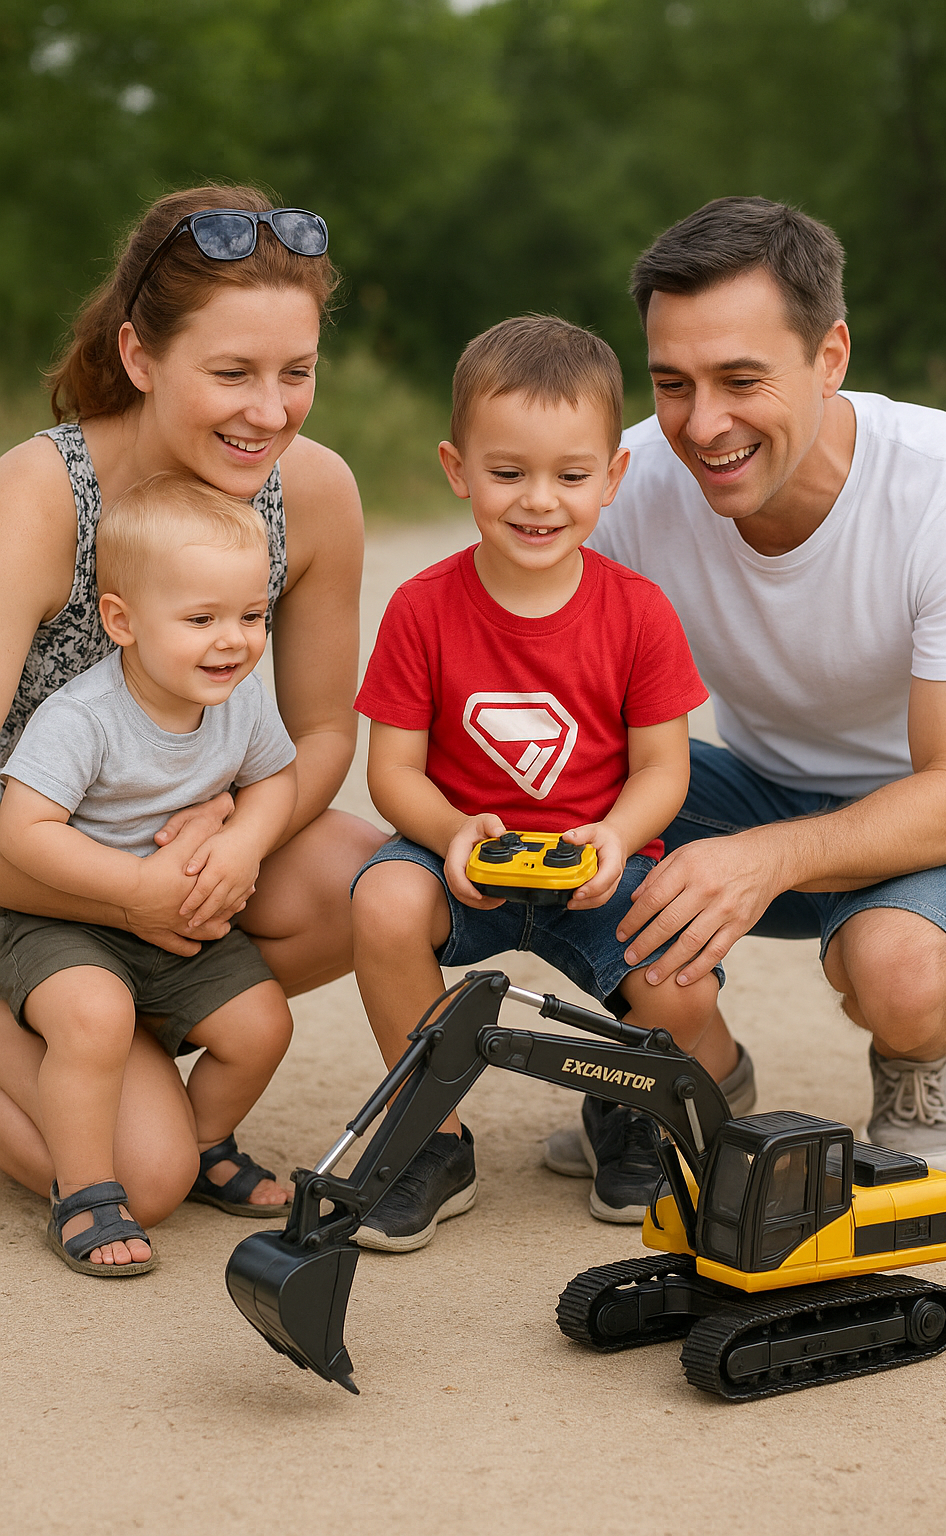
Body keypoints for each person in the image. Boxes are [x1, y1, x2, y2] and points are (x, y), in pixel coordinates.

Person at [546, 196, 946, 1191]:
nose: (702, 423)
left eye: (740, 380)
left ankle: (922, 1047)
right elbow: (531, 686)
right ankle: (688, 1061)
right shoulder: (629, 485)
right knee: (554, 785)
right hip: (754, 783)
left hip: (939, 814)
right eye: (672, 382)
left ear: (830, 356)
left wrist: (766, 859)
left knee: (898, 972)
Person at [0, 185, 384, 1231]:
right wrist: (128, 893)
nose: (269, 410)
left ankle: (118, 1044)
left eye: (294, 372)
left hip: (165, 875)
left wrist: (245, 829)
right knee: (150, 1181)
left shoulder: (312, 494)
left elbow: (321, 734)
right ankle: (67, 1045)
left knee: (363, 876)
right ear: (139, 357)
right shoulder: (40, 498)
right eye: (231, 373)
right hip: (21, 884)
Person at [349, 314, 756, 1253]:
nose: (539, 501)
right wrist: (451, 832)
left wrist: (616, 837)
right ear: (457, 468)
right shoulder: (422, 609)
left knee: (682, 976)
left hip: (596, 862)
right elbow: (393, 772)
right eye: (508, 473)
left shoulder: (639, 613)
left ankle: (622, 1111)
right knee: (380, 902)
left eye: (571, 477)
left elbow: (663, 769)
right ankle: (430, 1142)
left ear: (612, 476)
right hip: (464, 855)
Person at [0, 475, 298, 1274]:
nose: (232, 640)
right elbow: (22, 830)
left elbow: (276, 779)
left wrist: (242, 841)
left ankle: (202, 1145)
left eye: (251, 615)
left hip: (177, 918)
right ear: (121, 621)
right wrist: (132, 891)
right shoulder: (82, 717)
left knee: (261, 1026)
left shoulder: (241, 700)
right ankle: (87, 1188)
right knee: (93, 1018)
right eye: (201, 619)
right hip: (66, 917)